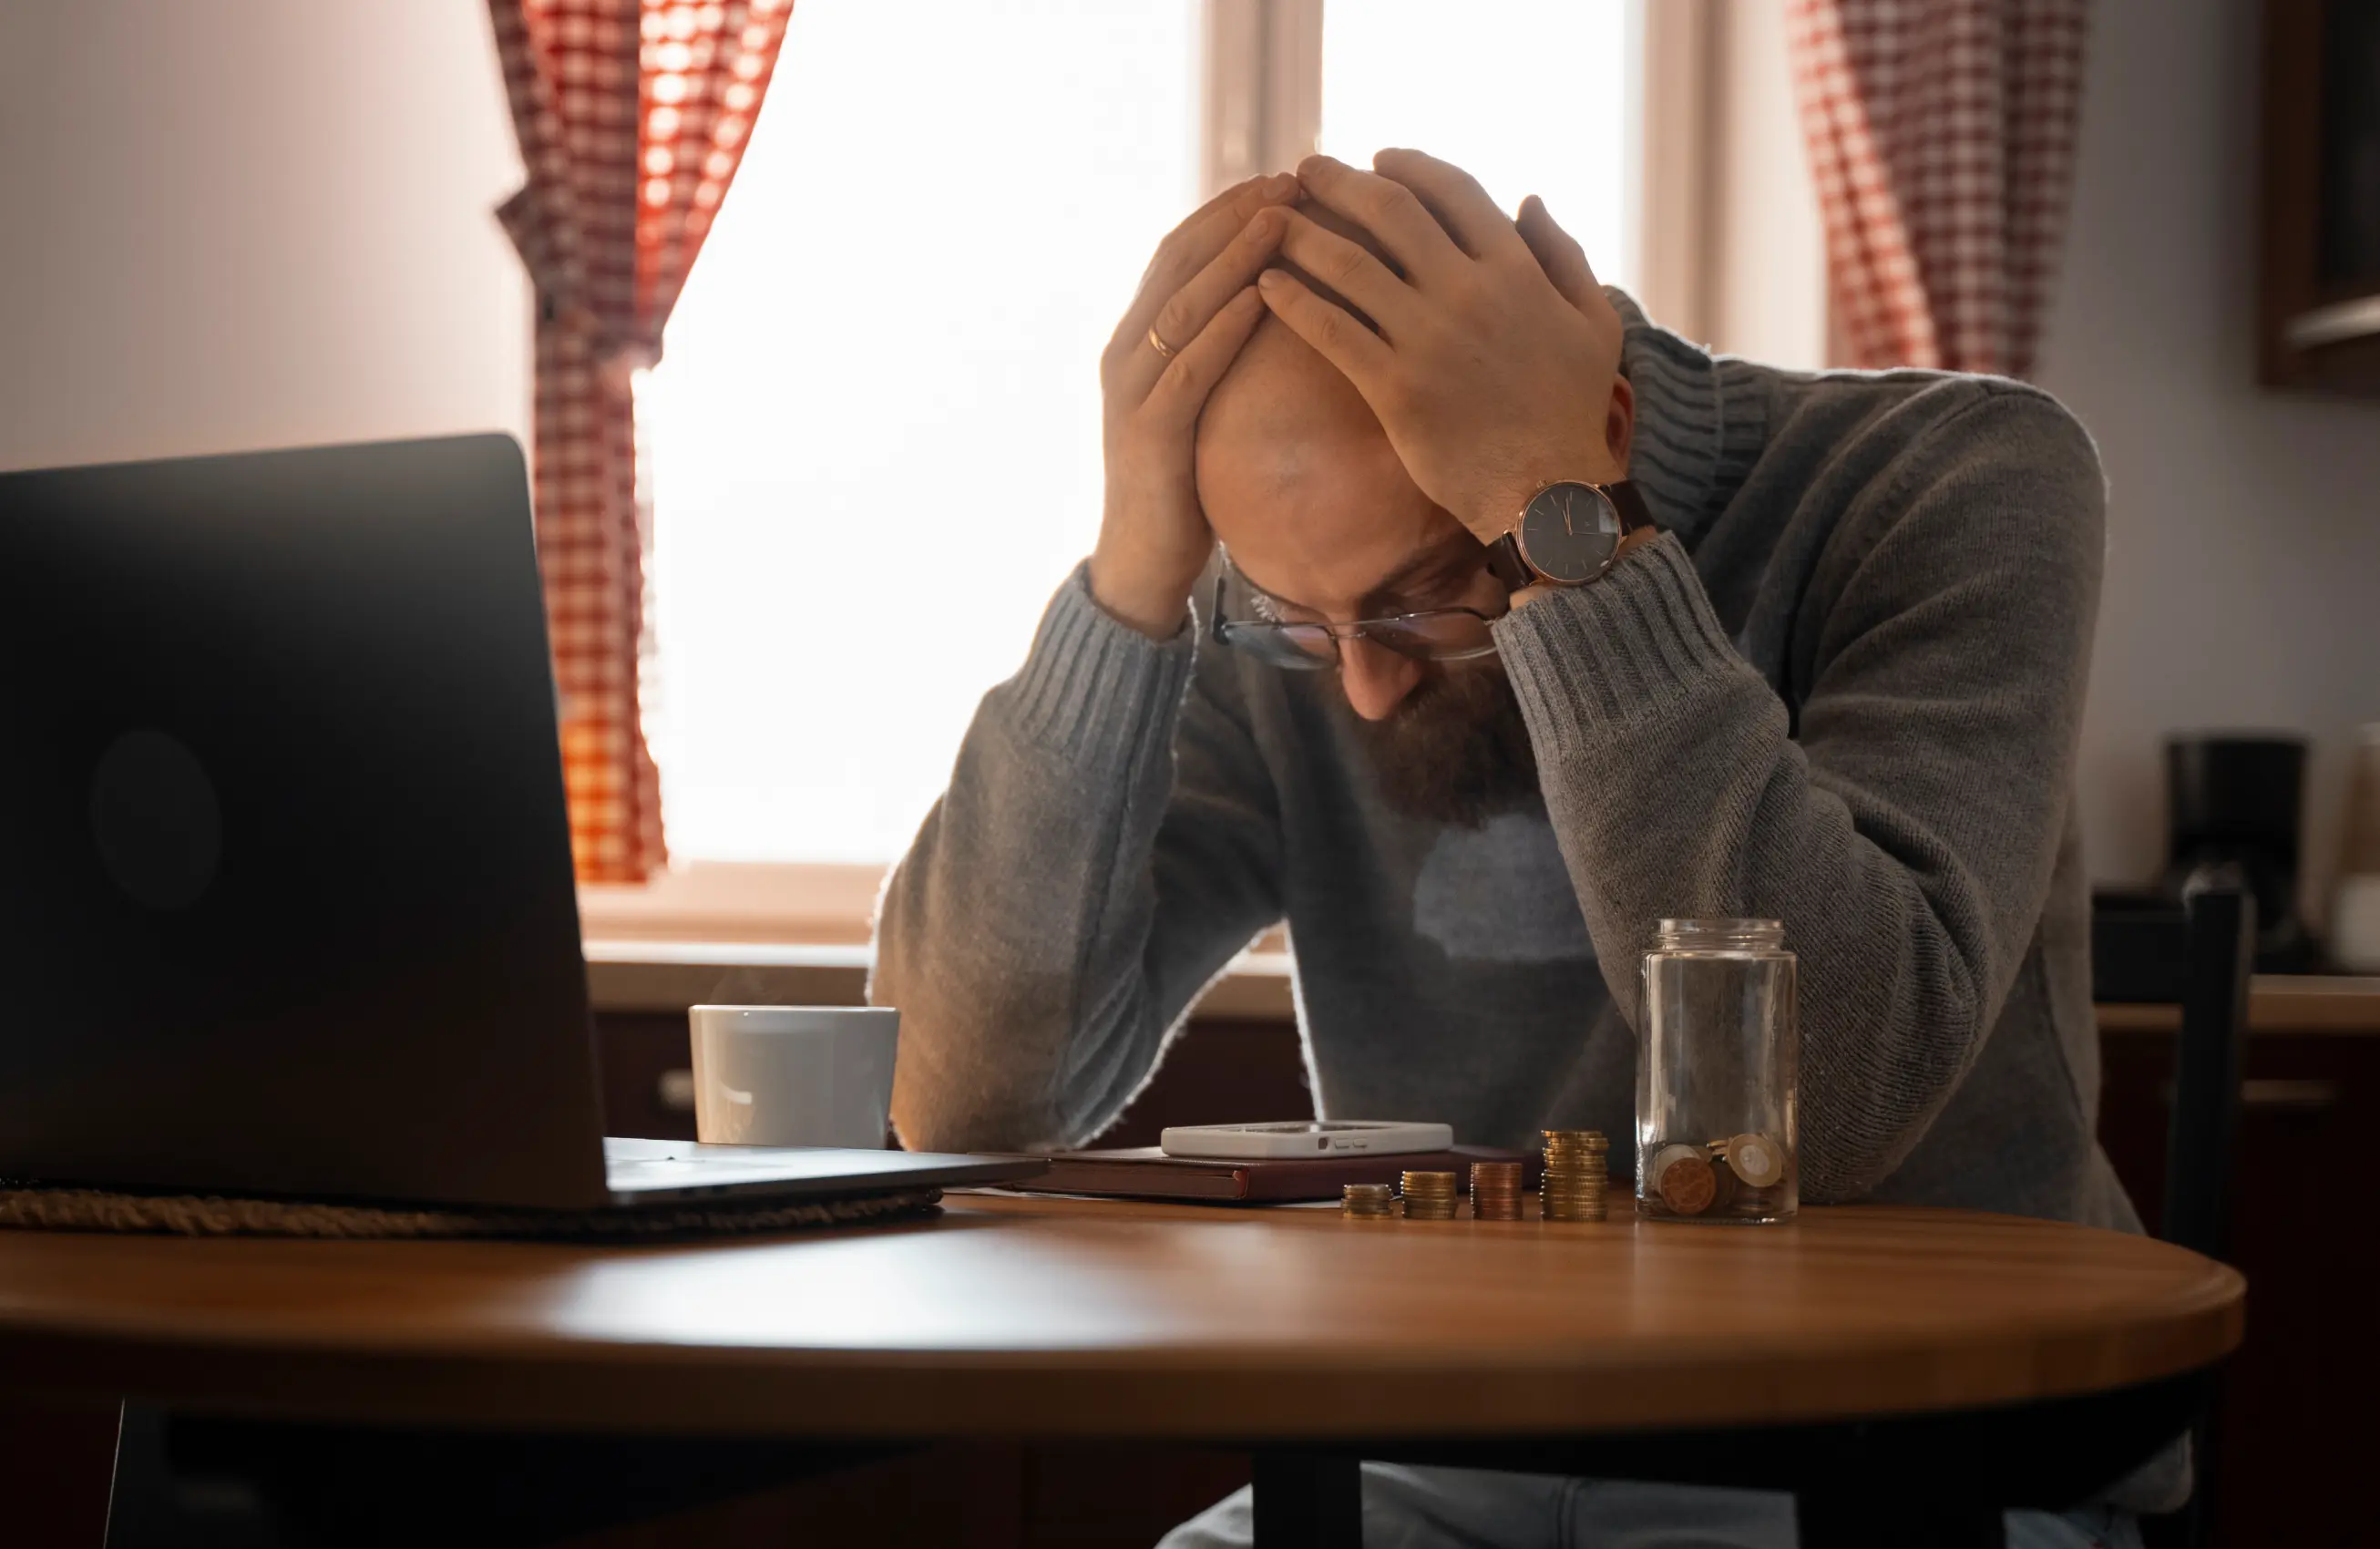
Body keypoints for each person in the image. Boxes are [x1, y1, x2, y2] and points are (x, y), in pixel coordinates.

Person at [868, 151, 2164, 1548]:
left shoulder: (1954, 477)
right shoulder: (1300, 629)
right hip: (1436, 1453)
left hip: (1902, 1465)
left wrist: (1576, 554)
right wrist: (1132, 579)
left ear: (1597, 433)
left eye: (1424, 601)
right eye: (1299, 620)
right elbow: (962, 1100)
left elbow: (1823, 1107)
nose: (1357, 689)